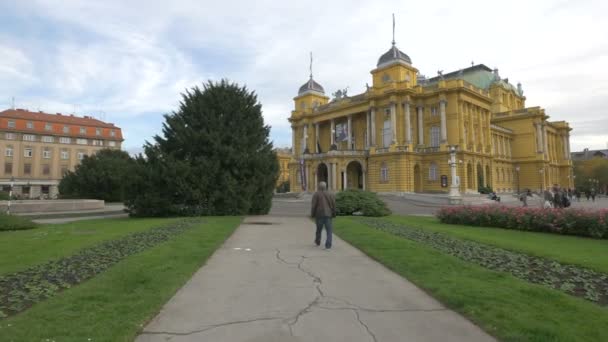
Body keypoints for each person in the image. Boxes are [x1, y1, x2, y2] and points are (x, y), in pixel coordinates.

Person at [311, 181, 336, 249]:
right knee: (329, 230)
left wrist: (312, 214)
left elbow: (313, 206)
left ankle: (318, 241)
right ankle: (328, 244)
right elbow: (333, 205)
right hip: (328, 214)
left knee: (319, 229)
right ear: (326, 187)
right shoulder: (331, 194)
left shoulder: (316, 194)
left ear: (319, 187)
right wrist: (334, 213)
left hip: (319, 215)